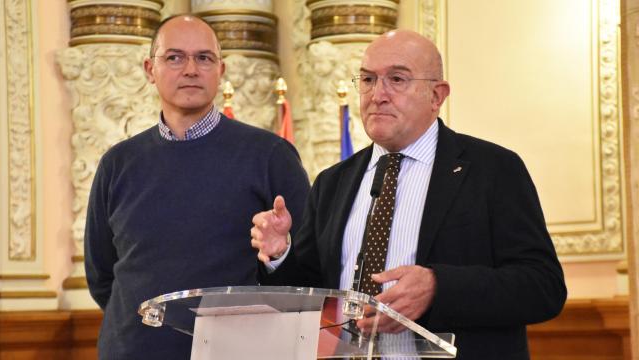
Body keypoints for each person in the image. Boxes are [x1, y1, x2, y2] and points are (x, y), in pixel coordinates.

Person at [250, 30, 566, 360]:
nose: (377, 94)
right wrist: (281, 255)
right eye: (368, 79)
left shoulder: (493, 170)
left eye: (397, 79)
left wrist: (438, 287)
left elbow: (542, 287)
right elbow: (313, 292)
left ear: (437, 95)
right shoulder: (333, 183)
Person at [84, 14, 309, 359]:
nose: (190, 69)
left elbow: (308, 266)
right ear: (149, 69)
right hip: (132, 350)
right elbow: (102, 276)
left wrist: (279, 254)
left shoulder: (270, 155)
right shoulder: (117, 163)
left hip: (236, 351)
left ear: (221, 70)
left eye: (204, 58)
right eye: (174, 57)